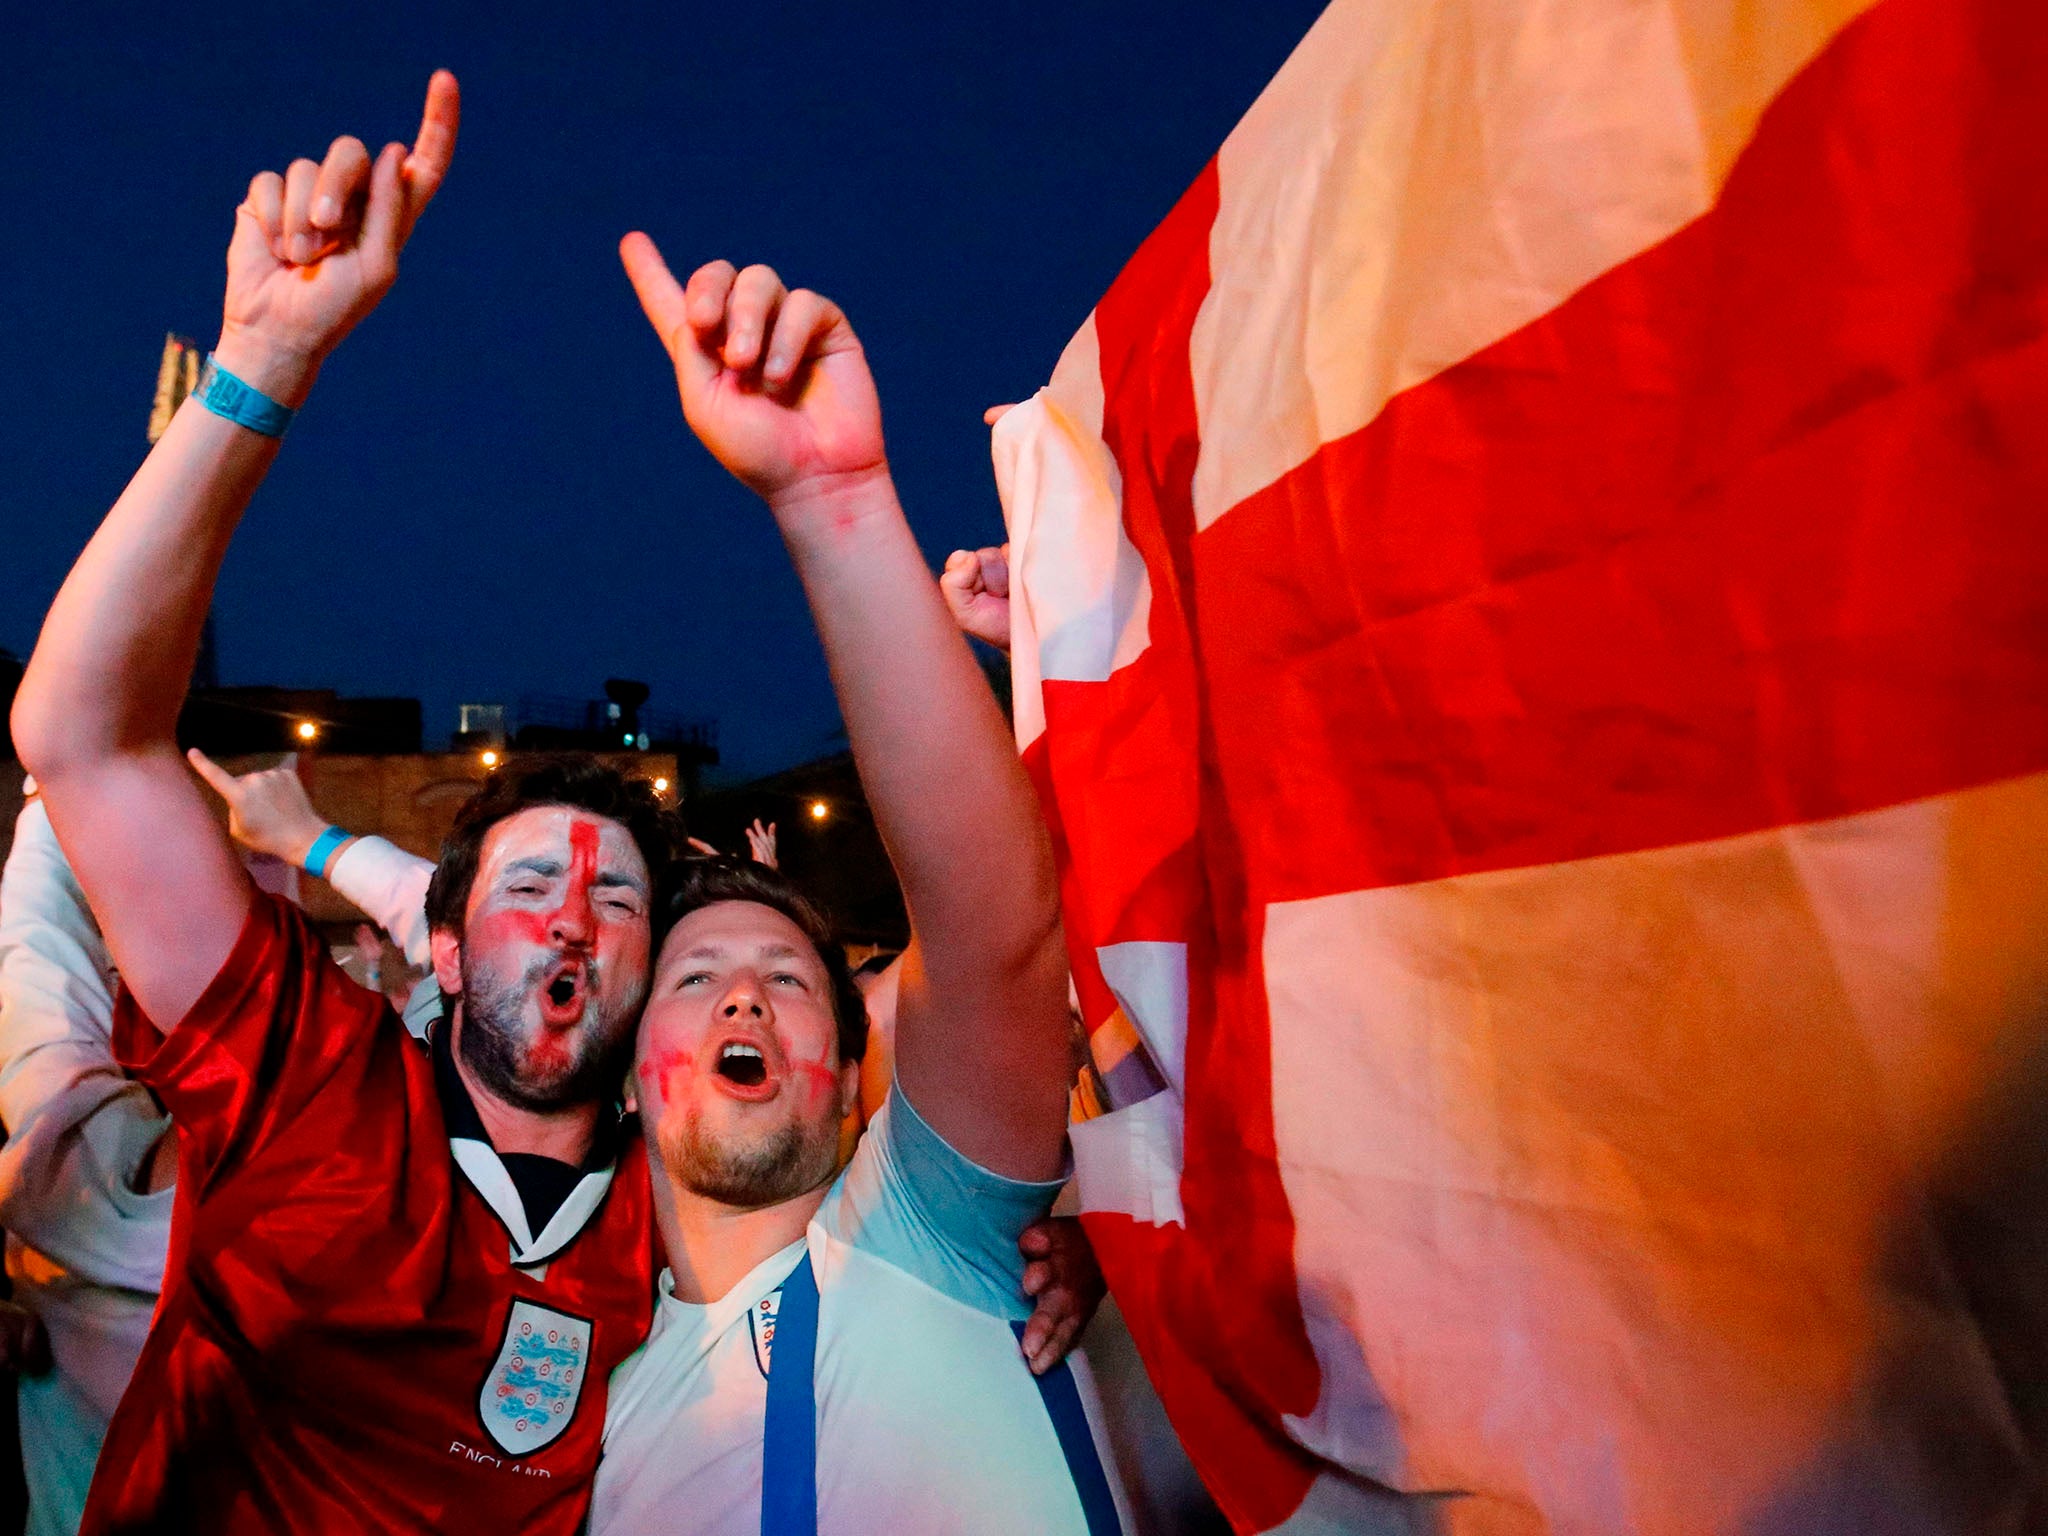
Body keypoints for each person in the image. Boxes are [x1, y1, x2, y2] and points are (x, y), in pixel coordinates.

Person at [7, 75, 679, 1534]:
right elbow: (84, 737)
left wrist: (1054, 1261)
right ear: (440, 953)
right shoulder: (312, 1082)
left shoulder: (696, 1208)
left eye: (615, 897)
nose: (571, 910)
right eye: (523, 889)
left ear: (652, 981)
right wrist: (264, 365)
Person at [591, 247, 1127, 1532]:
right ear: (623, 1064)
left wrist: (833, 505)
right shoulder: (582, 1427)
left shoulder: (932, 1232)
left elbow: (996, 929)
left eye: (788, 981)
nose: (747, 1001)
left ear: (853, 1066)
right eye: (698, 976)